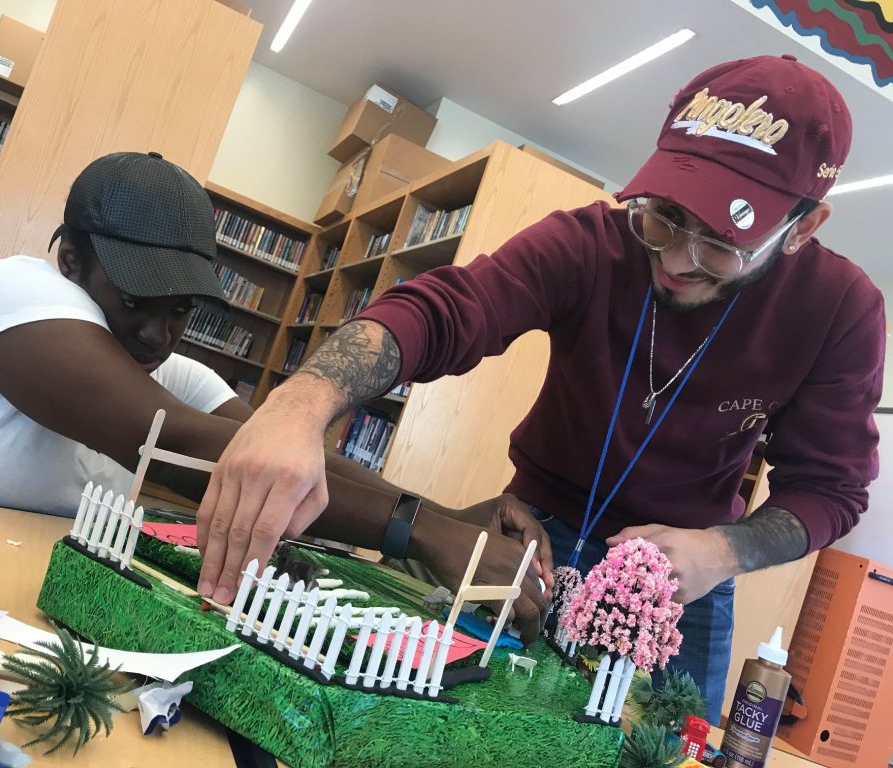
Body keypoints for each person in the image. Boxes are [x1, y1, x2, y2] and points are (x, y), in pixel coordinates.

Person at [196, 55, 885, 722]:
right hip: (537, 534)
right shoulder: (592, 243)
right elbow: (445, 311)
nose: (676, 260)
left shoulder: (841, 311)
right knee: (462, 717)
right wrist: (299, 404)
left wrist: (723, 551)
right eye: (665, 217)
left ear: (802, 229)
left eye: (721, 243)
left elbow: (829, 490)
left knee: (665, 744)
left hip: (689, 577)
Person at [0, 151, 552, 638]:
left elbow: (286, 452)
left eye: (180, 312)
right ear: (72, 261)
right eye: (137, 301)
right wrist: (421, 531)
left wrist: (448, 518)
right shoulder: (17, 289)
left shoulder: (162, 369)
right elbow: (177, 447)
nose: (158, 336)